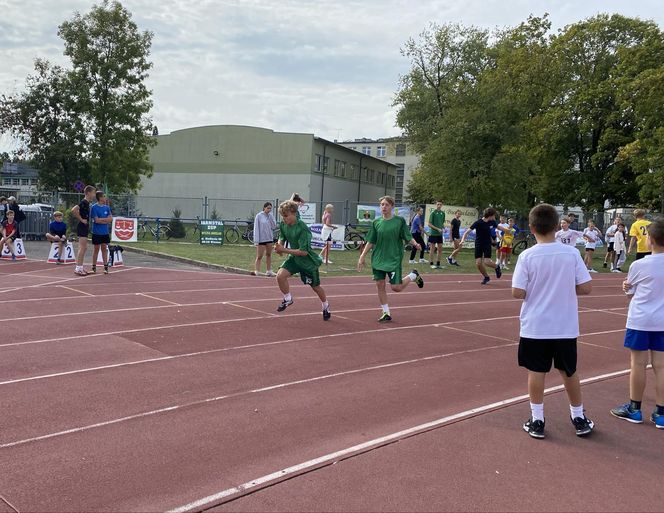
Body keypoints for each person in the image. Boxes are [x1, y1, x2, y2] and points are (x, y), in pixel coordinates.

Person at [512, 203, 594, 439]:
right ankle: (578, 417)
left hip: (536, 325)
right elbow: (586, 287)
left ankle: (537, 419)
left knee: (536, 371)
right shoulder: (571, 254)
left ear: (531, 227)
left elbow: (518, 291)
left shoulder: (527, 256)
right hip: (564, 325)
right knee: (569, 371)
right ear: (557, 226)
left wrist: (536, 292)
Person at [610, 218, 664, 429]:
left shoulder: (639, 265)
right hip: (662, 321)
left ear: (650, 240)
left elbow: (630, 293)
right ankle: (661, 413)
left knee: (638, 364)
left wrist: (626, 287)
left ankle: (634, 408)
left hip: (641, 320)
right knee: (661, 366)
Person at [357, 195, 424, 322]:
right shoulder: (376, 223)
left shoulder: (399, 221)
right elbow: (371, 241)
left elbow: (407, 236)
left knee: (396, 288)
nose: (384, 207)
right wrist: (362, 256)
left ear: (392, 206)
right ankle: (386, 312)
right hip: (378, 259)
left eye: (387, 205)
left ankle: (413, 275)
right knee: (379, 284)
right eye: (382, 204)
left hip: (393, 258)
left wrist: (415, 244)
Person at [274, 200, 331, 321]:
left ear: (294, 214)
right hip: (294, 258)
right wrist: (279, 246)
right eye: (282, 216)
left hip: (307, 262)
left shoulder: (303, 228)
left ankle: (325, 305)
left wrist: (283, 250)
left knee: (315, 287)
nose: (283, 219)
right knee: (280, 276)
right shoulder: (284, 224)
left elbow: (303, 252)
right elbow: (282, 237)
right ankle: (288, 298)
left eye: (286, 216)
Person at [459, 207, 502, 285]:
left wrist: (507, 230)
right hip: (478, 243)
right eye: (494, 215)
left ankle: (497, 267)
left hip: (487, 244)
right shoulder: (478, 222)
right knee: (478, 263)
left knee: (487, 262)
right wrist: (462, 240)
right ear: (490, 215)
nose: (494, 217)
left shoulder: (492, 222)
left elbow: (499, 227)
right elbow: (467, 232)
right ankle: (486, 277)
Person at [71, 185, 96, 276]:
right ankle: (78, 268)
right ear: (88, 193)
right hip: (82, 226)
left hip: (84, 226)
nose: (94, 195)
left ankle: (80, 267)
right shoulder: (84, 202)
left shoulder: (88, 203)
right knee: (82, 248)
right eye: (93, 193)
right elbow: (73, 210)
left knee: (84, 248)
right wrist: (81, 219)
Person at [90, 191, 113, 274]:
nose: (105, 198)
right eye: (104, 196)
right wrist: (105, 220)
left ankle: (105, 267)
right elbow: (96, 220)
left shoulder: (107, 208)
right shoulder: (94, 207)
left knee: (104, 249)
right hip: (97, 232)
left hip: (105, 232)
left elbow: (110, 219)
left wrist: (102, 220)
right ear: (100, 198)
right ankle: (93, 267)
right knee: (96, 249)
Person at [252, 201, 277, 276]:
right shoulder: (259, 216)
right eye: (268, 208)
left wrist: (271, 217)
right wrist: (256, 240)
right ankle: (257, 270)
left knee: (268, 254)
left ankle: (269, 270)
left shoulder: (270, 216)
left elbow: (274, 226)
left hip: (269, 238)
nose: (269, 210)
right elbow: (256, 228)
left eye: (270, 208)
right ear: (264, 208)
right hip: (261, 239)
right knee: (259, 256)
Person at [427, 200, 445, 269]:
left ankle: (438, 263)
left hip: (439, 234)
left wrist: (443, 228)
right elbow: (429, 224)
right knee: (432, 249)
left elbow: (442, 223)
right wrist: (437, 229)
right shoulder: (433, 213)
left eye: (440, 204)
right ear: (436, 205)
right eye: (438, 204)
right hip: (433, 233)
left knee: (440, 249)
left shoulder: (443, 213)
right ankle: (431, 263)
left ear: (442, 205)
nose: (439, 206)